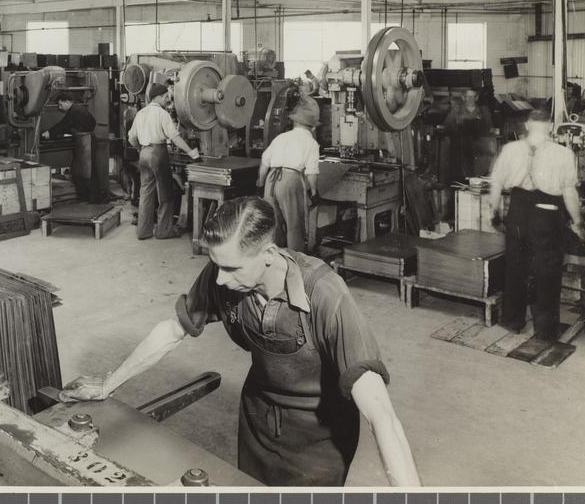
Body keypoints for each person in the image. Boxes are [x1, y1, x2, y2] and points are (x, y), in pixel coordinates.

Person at [60, 197, 420, 486]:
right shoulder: (226, 274)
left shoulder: (326, 294)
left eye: (230, 268)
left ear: (268, 256)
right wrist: (108, 384)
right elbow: (173, 330)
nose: (218, 280)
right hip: (257, 424)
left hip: (319, 439)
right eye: (216, 265)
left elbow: (381, 415)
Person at [485, 109, 584, 341]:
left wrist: (494, 212)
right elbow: (569, 192)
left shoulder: (510, 149)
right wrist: (578, 221)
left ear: (528, 125)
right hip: (547, 215)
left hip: (518, 212)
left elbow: (496, 182)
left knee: (515, 267)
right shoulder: (563, 153)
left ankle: (512, 321)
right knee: (547, 272)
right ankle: (545, 330)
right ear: (550, 127)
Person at [128, 83, 200, 240]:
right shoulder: (162, 114)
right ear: (158, 97)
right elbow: (174, 137)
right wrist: (191, 152)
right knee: (165, 193)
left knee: (145, 193)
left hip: (144, 153)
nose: (168, 99)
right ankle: (163, 231)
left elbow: (131, 137)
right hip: (158, 153)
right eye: (166, 97)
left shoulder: (141, 113)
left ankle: (143, 231)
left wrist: (141, 149)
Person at [257, 97, 321, 252]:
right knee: (294, 225)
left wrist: (261, 184)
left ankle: (274, 261)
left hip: (271, 180)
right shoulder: (311, 143)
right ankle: (296, 261)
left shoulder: (281, 138)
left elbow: (264, 162)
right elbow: (311, 172)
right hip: (290, 181)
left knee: (273, 225)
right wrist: (313, 192)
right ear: (312, 127)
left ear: (295, 122)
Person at [43, 92, 104, 203]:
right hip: (84, 141)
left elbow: (63, 124)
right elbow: (87, 123)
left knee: (87, 172)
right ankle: (87, 198)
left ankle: (92, 199)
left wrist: (50, 133)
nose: (59, 108)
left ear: (67, 102)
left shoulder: (74, 111)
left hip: (86, 142)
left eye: (60, 105)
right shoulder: (77, 109)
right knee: (82, 171)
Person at [443, 87, 493, 180]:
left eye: (473, 97)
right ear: (463, 97)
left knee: (477, 177)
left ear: (476, 98)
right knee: (460, 178)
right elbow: (447, 125)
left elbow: (488, 127)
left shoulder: (483, 111)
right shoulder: (456, 110)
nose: (470, 99)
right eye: (468, 96)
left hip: (478, 150)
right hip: (460, 150)